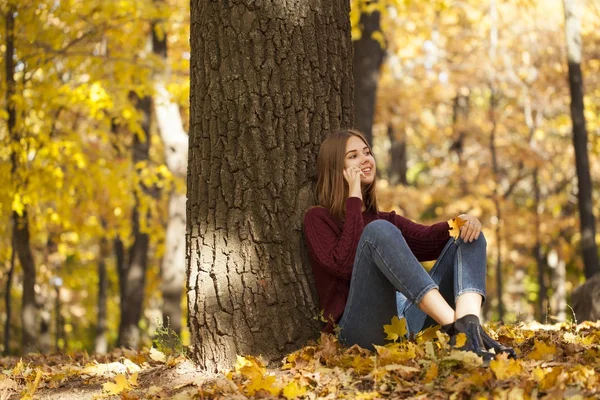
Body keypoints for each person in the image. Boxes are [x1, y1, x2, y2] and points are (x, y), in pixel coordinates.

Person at [303, 129, 515, 360]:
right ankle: (456, 328)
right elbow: (344, 265)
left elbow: (430, 240)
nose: (365, 159)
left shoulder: (385, 220)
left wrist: (462, 221)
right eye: (353, 156)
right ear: (336, 169)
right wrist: (354, 198)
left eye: (367, 152)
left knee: (468, 235)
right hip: (358, 330)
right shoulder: (318, 218)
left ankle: (470, 335)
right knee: (378, 231)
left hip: (404, 323)